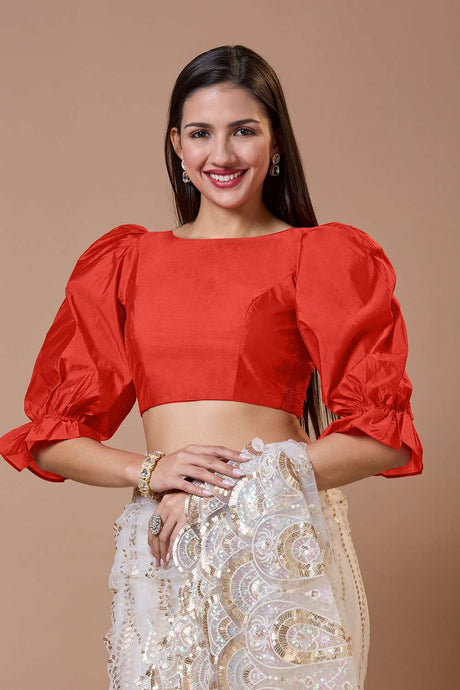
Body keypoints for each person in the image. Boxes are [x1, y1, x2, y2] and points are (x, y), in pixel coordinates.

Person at [0, 44, 423, 690]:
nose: (221, 155)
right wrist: (152, 471)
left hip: (272, 531)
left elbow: (384, 437)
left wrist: (228, 488)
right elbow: (51, 437)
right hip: (163, 539)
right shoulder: (126, 263)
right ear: (176, 144)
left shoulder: (319, 256)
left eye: (243, 131)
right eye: (200, 133)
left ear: (275, 142)